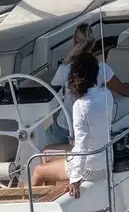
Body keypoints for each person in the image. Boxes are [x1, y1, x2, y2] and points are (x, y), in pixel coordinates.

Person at [46, 22, 129, 147]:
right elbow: (126, 92)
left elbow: (54, 92)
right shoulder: (102, 69)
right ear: (93, 44)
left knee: (46, 143)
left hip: (64, 127)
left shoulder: (64, 68)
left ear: (74, 40)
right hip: (88, 131)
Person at [32, 52, 113, 198]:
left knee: (38, 171)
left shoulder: (80, 105)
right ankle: (49, 198)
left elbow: (82, 146)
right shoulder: (107, 94)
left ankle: (31, 206)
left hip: (90, 169)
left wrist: (75, 179)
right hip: (107, 160)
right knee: (47, 154)